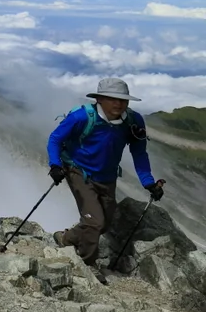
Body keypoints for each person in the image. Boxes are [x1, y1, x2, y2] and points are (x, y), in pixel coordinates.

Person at [47, 77, 163, 279]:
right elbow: (55, 139)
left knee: (106, 223)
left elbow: (139, 153)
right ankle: (86, 265)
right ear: (99, 99)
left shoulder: (133, 122)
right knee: (95, 222)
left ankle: (65, 238)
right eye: (112, 99)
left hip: (107, 177)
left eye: (123, 100)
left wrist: (149, 183)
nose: (118, 104)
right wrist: (55, 165)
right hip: (77, 171)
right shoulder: (81, 117)